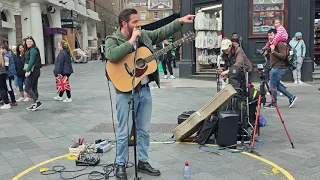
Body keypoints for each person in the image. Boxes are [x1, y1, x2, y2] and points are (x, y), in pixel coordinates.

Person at [105, 8, 195, 179]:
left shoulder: (144, 35)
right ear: (124, 24)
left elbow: (161, 32)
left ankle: (143, 161)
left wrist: (180, 21)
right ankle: (120, 163)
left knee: (144, 130)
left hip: (145, 91)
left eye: (138, 21)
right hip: (125, 93)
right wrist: (131, 41)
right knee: (124, 132)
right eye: (135, 22)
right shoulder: (113, 39)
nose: (138, 25)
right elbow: (111, 55)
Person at [264, 29, 297, 109]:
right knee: (277, 85)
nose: (269, 37)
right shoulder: (272, 45)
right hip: (275, 66)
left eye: (271, 35)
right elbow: (272, 57)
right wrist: (267, 54)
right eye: (268, 35)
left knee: (272, 85)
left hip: (278, 67)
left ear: (275, 35)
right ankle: (291, 97)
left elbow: (283, 55)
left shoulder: (280, 44)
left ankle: (273, 103)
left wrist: (273, 51)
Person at [24, 36, 43, 111]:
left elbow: (31, 61)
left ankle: (37, 102)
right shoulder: (32, 49)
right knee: (34, 87)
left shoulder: (33, 50)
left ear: (33, 42)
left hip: (33, 71)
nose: (28, 43)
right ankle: (36, 103)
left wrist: (27, 70)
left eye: (30, 41)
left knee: (27, 88)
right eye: (27, 41)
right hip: (36, 71)